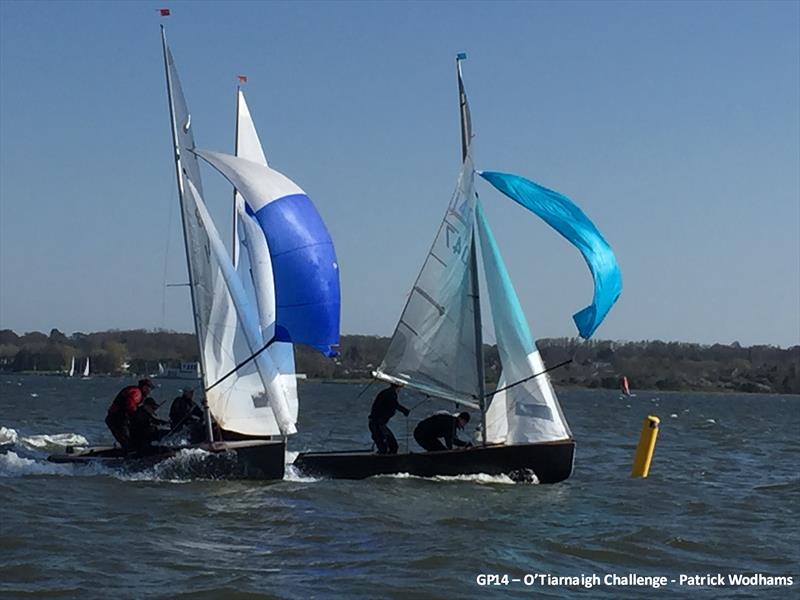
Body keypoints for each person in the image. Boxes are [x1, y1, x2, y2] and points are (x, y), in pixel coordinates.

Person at [105, 378, 155, 450]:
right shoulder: (137, 393)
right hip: (117, 419)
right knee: (127, 440)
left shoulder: (134, 390)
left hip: (115, 418)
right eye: (150, 389)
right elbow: (130, 405)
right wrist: (137, 416)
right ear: (144, 388)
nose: (150, 392)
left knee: (128, 439)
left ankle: (129, 451)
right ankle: (130, 455)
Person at [368, 383, 410, 454]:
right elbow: (394, 404)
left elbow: (393, 404)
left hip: (378, 424)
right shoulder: (390, 393)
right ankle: (385, 462)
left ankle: (388, 461)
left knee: (392, 446)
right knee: (388, 447)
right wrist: (404, 410)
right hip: (377, 424)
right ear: (399, 386)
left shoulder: (389, 392)